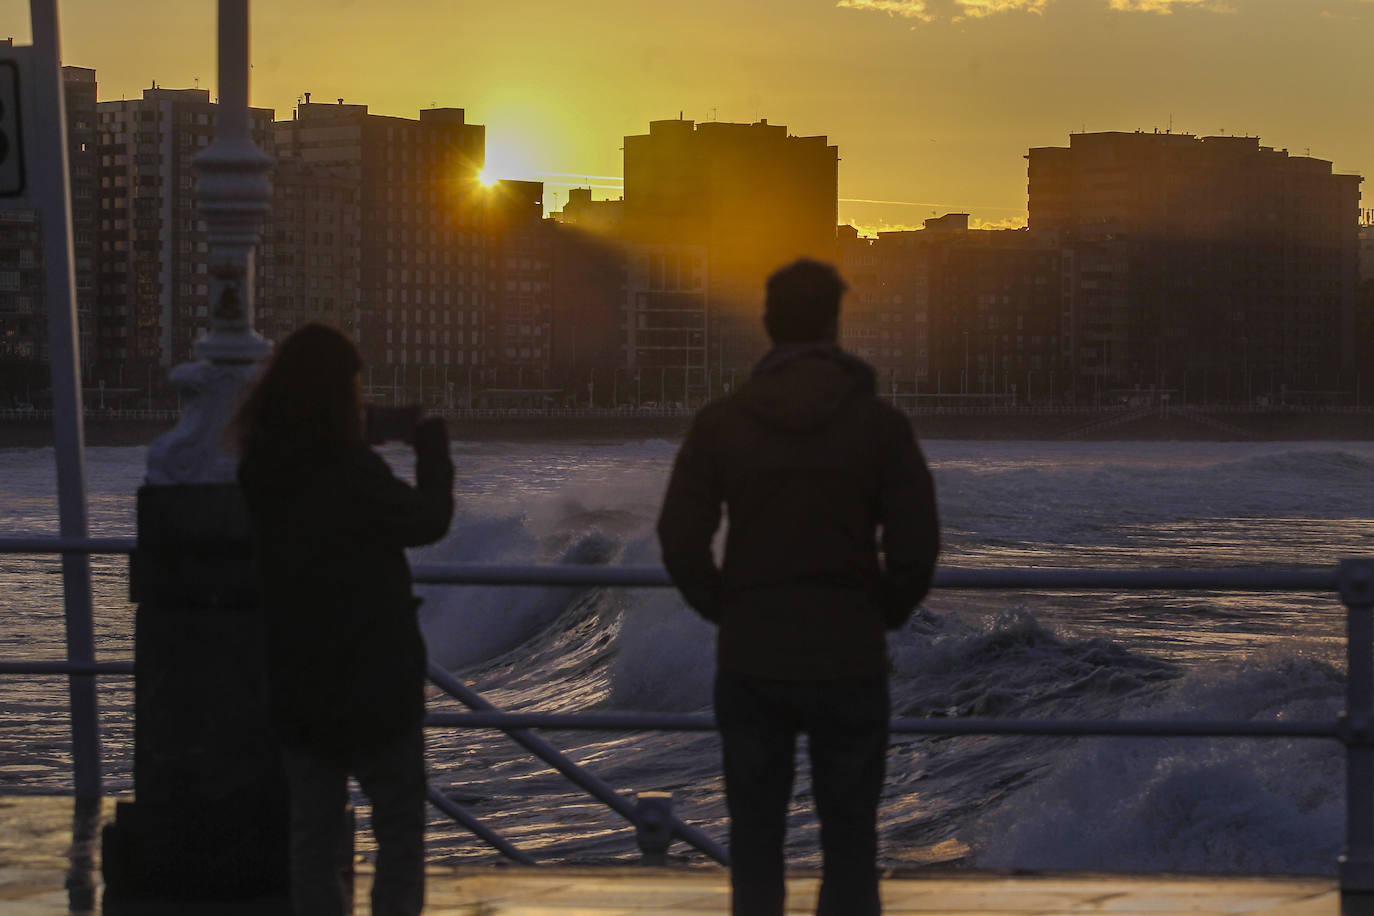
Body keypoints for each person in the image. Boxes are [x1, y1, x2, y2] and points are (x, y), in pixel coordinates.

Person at [657, 259, 940, 916]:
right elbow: (916, 545)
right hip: (848, 655)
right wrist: (880, 613)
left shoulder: (723, 423)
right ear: (835, 324)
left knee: (756, 841)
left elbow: (680, 539)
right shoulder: (879, 425)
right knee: (850, 842)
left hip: (754, 656)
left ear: (768, 323)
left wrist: (728, 607)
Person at [235, 323, 454, 916]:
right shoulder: (353, 474)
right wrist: (430, 444)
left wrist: (369, 430)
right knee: (399, 831)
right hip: (375, 680)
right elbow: (428, 520)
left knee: (312, 838)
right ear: (340, 396)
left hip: (299, 682)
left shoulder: (263, 471)